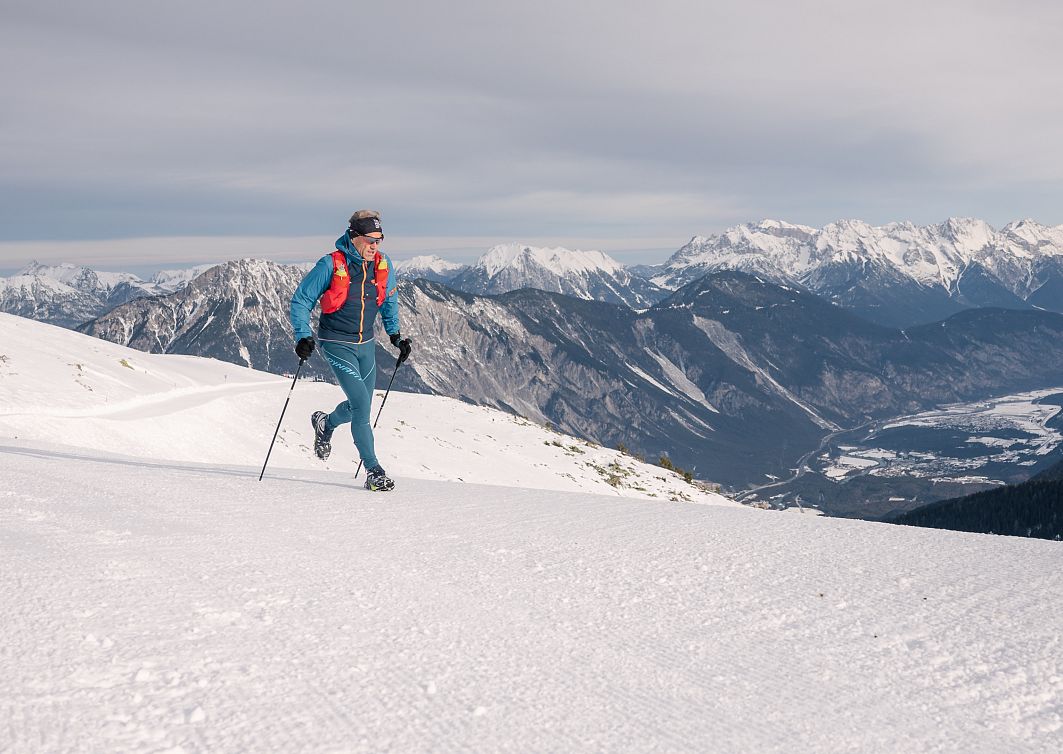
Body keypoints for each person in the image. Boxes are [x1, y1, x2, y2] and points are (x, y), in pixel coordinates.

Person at [289, 210, 413, 491]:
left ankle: (325, 423)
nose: (375, 246)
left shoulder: (383, 264)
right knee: (361, 405)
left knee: (362, 405)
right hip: (335, 342)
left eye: (379, 241)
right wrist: (303, 336)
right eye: (370, 240)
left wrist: (396, 336)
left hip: (366, 344)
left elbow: (389, 301)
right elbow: (301, 301)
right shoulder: (331, 264)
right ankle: (374, 470)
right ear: (355, 237)